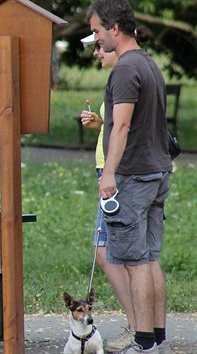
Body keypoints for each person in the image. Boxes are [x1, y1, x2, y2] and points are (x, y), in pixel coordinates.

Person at [88, 1, 173, 353]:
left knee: (135, 261)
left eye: (96, 31)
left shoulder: (124, 69)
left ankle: (142, 342)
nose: (96, 39)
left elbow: (121, 125)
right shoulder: (149, 64)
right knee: (150, 258)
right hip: (158, 171)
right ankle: (156, 338)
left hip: (133, 177)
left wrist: (109, 173)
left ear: (114, 29)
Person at [79, 34, 137, 352]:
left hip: (115, 177)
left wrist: (111, 174)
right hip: (108, 174)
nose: (96, 53)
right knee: (110, 253)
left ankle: (136, 324)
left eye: (99, 47)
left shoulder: (125, 76)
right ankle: (138, 323)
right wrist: (100, 122)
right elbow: (116, 124)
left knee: (110, 253)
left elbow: (128, 128)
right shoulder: (118, 78)